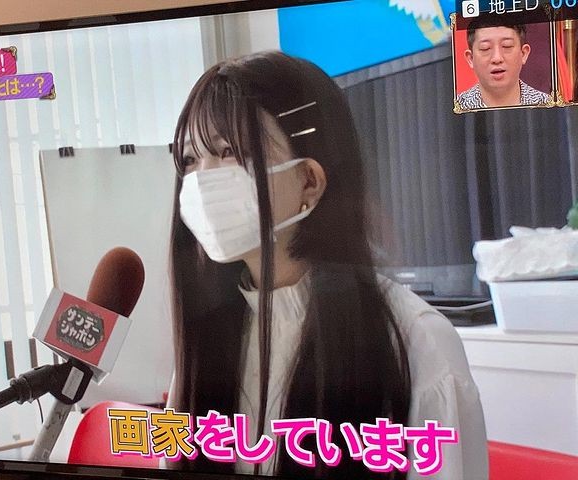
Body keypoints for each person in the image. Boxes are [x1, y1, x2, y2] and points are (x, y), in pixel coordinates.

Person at [167, 51, 488, 479]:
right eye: (190, 159)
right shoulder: (206, 341)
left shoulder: (417, 342)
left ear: (309, 181)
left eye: (230, 151)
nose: (202, 180)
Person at [457, 20, 552, 110]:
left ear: (523, 54)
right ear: (471, 58)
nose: (497, 58)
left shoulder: (548, 105)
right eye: (485, 48)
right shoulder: (454, 108)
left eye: (507, 46)